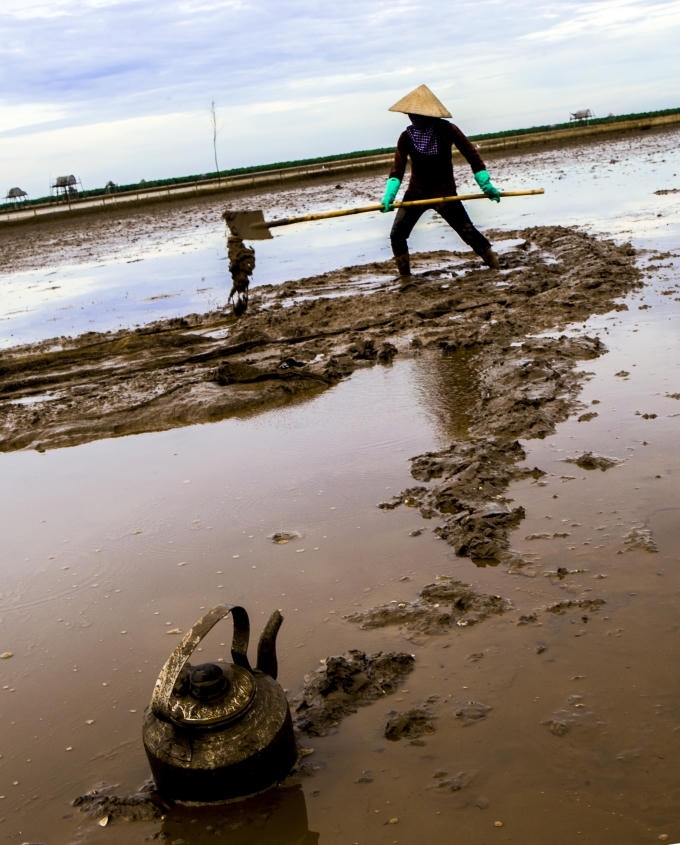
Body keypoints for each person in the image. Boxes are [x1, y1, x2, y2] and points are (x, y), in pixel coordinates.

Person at [381, 84, 501, 279]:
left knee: (468, 232)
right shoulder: (406, 137)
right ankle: (405, 277)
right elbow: (398, 168)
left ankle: (495, 266)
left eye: (416, 115)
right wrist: (389, 195)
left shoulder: (448, 130)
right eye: (410, 115)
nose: (412, 118)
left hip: (445, 193)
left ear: (428, 115)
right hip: (416, 193)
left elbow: (472, 155)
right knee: (397, 235)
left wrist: (485, 184)